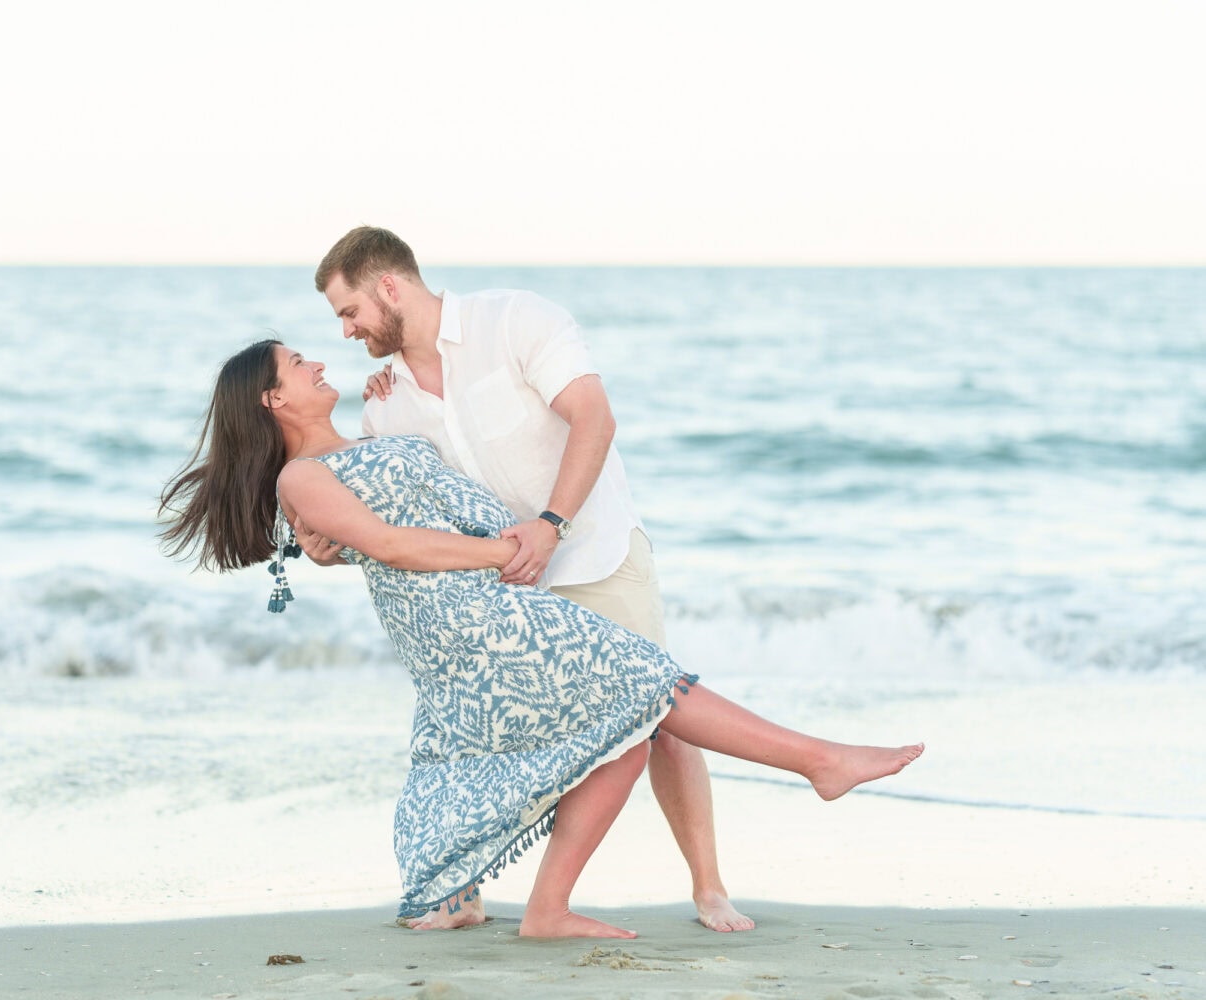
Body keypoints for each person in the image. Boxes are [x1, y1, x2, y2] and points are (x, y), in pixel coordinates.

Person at [158, 339, 924, 940]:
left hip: (489, 609)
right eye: (298, 362)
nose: (318, 359)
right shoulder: (300, 479)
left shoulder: (358, 438)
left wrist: (393, 410)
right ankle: (819, 761)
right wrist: (510, 550)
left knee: (629, 726)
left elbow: (388, 508)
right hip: (478, 624)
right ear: (273, 399)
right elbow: (390, 543)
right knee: (647, 689)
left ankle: (547, 907)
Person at [305, 226, 752, 932]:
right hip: (504, 591)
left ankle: (709, 887)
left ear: (389, 286)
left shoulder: (515, 319)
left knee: (661, 715)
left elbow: (593, 418)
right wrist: (329, 547)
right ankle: (469, 895)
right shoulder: (383, 406)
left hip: (593, 551)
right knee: (495, 742)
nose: (348, 329)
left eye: (349, 310)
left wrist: (551, 524)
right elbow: (390, 516)